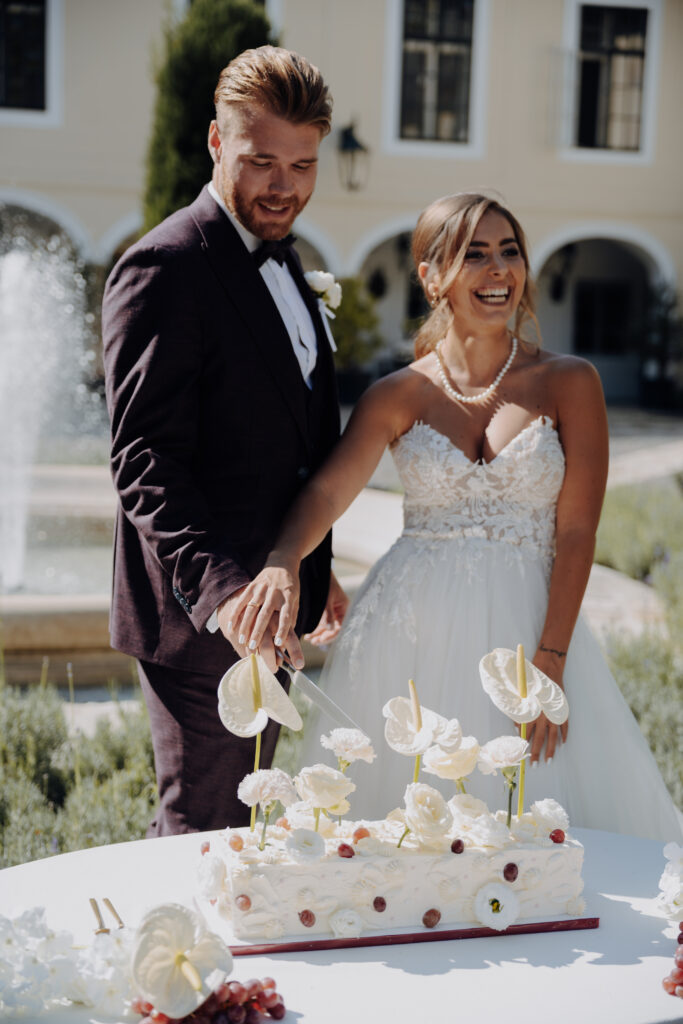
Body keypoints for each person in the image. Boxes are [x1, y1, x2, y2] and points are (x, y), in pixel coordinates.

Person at [237, 192, 682, 842]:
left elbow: (576, 531)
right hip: (409, 633)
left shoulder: (569, 382)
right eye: (475, 254)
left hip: (532, 628)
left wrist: (550, 663)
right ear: (430, 275)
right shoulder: (395, 394)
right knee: (401, 829)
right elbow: (326, 495)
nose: (498, 270)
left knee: (540, 830)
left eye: (509, 252)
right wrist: (284, 559)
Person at [102, 46, 347, 836]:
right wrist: (224, 595)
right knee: (201, 831)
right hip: (204, 614)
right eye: (262, 161)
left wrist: (314, 566)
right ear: (215, 142)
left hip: (273, 604)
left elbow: (295, 433)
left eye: (303, 165)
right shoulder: (165, 266)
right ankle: (172, 961)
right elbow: (144, 460)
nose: (284, 187)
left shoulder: (283, 257)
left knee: (242, 822)